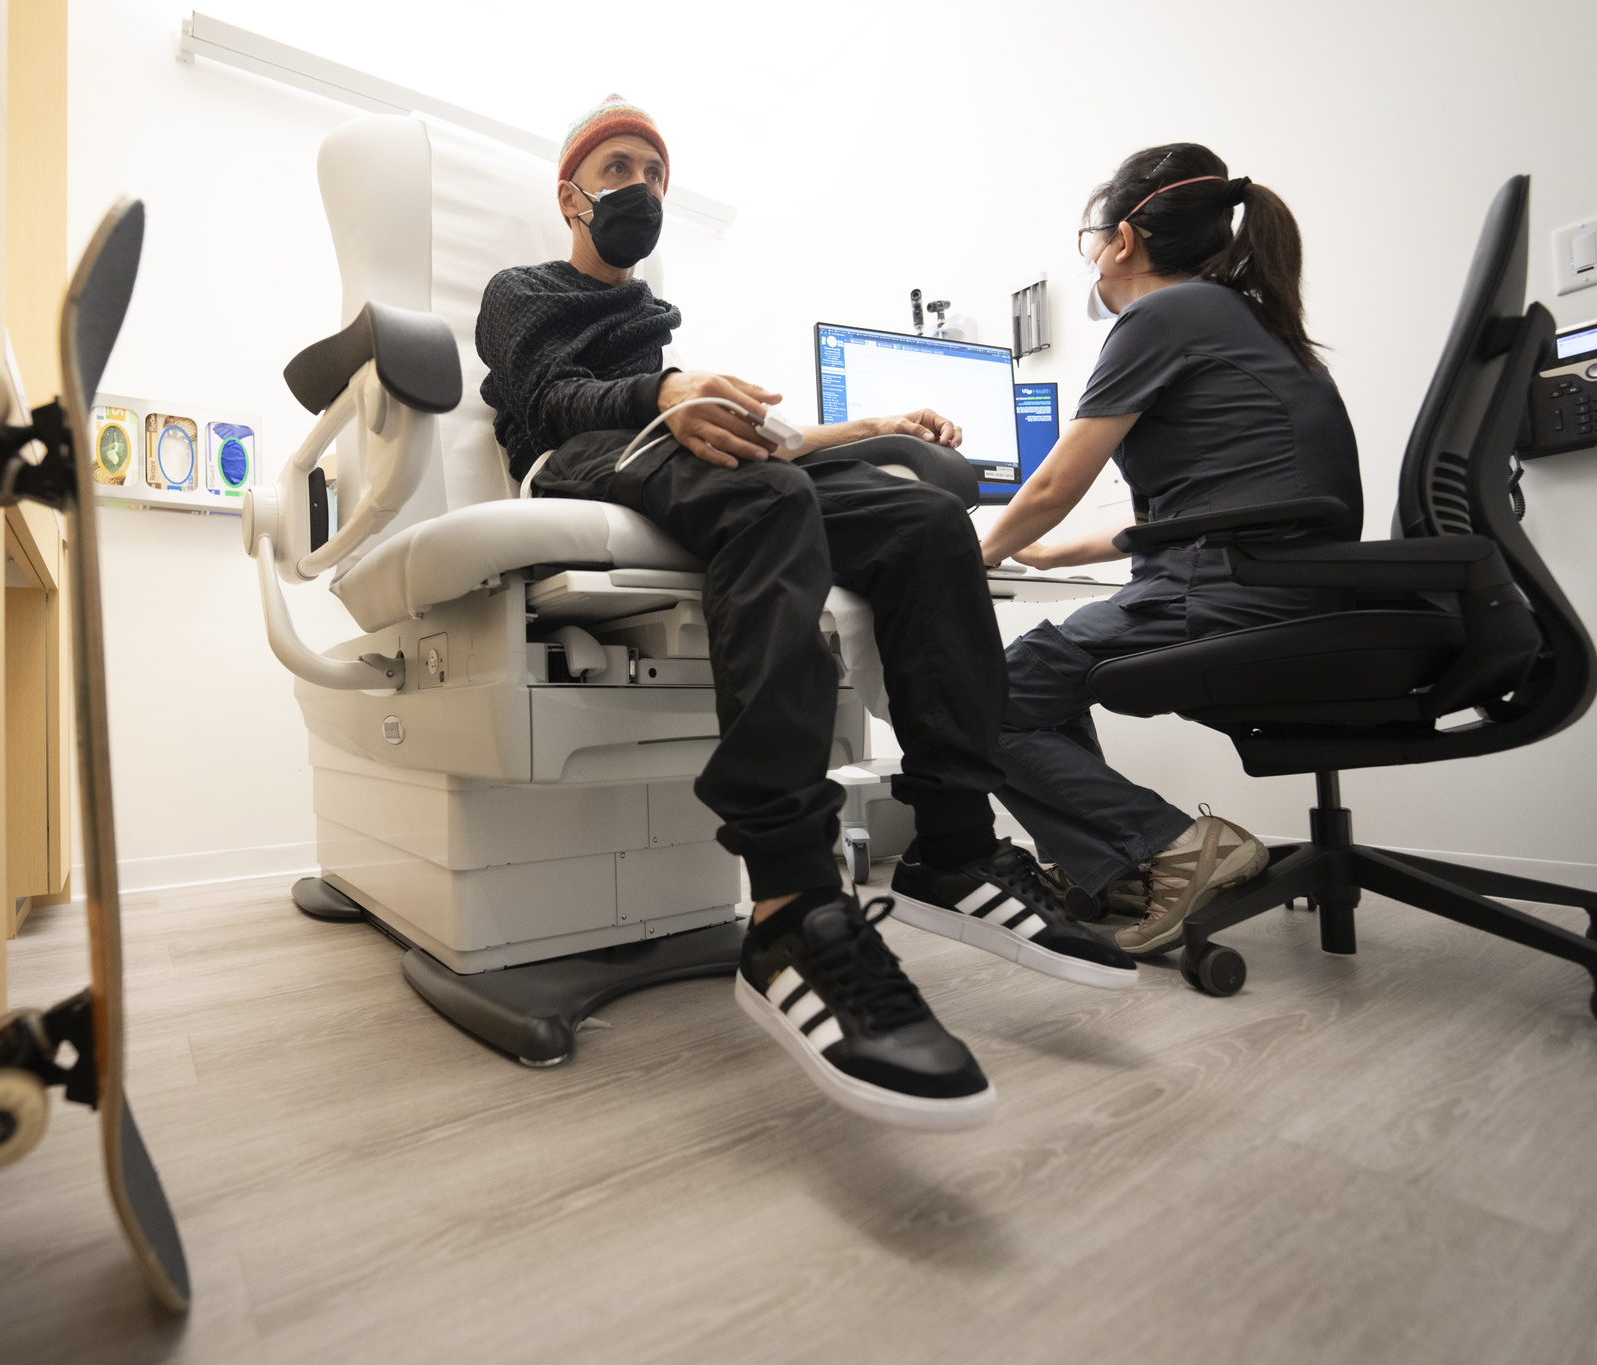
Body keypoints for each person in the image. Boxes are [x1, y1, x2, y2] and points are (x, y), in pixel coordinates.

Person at [477, 96, 1134, 1131]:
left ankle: (952, 845)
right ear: (570, 194)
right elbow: (545, 400)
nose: (640, 186)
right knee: (766, 496)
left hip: (663, 430)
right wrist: (663, 394)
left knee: (923, 521)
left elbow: (761, 441)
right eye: (618, 167)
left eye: (653, 171)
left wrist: (869, 426)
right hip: (572, 464)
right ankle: (789, 898)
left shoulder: (656, 322)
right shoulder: (521, 292)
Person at [976, 143, 1364, 958]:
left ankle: (1168, 846)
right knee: (1039, 681)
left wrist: (977, 551)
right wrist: (1043, 555)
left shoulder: (1162, 315)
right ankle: (1121, 871)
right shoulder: (1241, 315)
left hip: (1221, 594)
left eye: (1091, 238)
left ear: (1122, 240)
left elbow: (1053, 483)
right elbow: (1183, 514)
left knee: (979, 699)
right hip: (1277, 585)